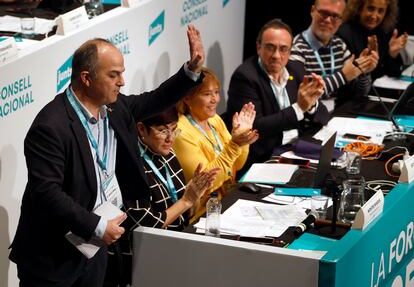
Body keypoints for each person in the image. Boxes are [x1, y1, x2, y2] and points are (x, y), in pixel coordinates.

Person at [9, 24, 206, 286]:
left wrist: (190, 71)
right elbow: (46, 192)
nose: (122, 82)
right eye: (114, 75)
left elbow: (156, 99)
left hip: (95, 250)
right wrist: (98, 227)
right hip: (54, 257)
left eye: (122, 74)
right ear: (87, 78)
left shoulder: (115, 107)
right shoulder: (51, 126)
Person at [105, 107, 220, 286]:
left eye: (174, 129)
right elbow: (146, 225)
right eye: (163, 130)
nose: (170, 138)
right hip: (143, 261)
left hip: (176, 248)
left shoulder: (169, 155)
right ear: (141, 129)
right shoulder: (129, 166)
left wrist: (196, 195)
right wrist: (186, 200)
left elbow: (185, 214)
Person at [226, 18, 329, 177]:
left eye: (283, 49)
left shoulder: (296, 69)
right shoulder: (245, 77)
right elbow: (255, 127)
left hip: (296, 149)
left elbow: (322, 114)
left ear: (290, 51)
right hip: (264, 158)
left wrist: (311, 102)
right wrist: (299, 108)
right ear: (258, 47)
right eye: (270, 47)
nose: (276, 55)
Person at [173, 67, 258, 219]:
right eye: (207, 94)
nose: (215, 99)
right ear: (187, 98)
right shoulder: (181, 131)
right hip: (202, 214)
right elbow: (204, 183)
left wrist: (243, 139)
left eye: (216, 92)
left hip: (226, 201)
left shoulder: (214, 119)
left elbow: (236, 165)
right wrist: (235, 144)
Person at [290, 0, 378, 108]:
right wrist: (343, 76)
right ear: (312, 11)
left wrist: (364, 71)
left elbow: (360, 93)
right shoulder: (296, 48)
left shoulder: (339, 45)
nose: (327, 20)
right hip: (311, 120)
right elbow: (304, 97)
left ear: (341, 20)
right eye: (323, 13)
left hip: (340, 115)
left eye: (335, 16)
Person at [337, 0, 408, 80]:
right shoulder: (344, 34)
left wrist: (391, 54)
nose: (374, 16)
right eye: (370, 8)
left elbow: (393, 73)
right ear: (359, 8)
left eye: (380, 11)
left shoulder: (382, 33)